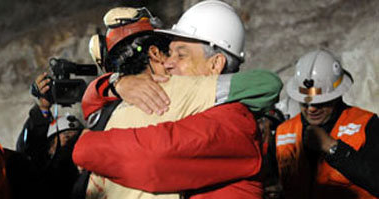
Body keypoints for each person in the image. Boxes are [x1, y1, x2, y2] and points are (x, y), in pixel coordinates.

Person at [74, 2, 282, 199]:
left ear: (215, 64)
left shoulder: (234, 122)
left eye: (181, 56)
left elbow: (153, 158)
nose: (168, 63)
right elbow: (94, 107)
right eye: (169, 53)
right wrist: (114, 83)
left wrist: (85, 145)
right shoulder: (190, 108)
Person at [272, 49, 379, 199]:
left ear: (337, 96)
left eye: (320, 102)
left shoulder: (366, 125)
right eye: (304, 102)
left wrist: (333, 148)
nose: (311, 109)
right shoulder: (283, 133)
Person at [15, 73, 84, 199]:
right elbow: (27, 153)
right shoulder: (42, 176)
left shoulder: (87, 175)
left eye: (77, 138)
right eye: (66, 137)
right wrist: (43, 108)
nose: (73, 144)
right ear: (50, 147)